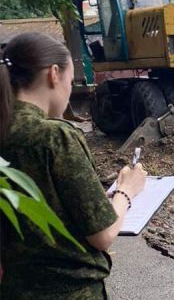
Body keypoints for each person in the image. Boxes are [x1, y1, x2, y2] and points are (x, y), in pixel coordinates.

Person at [0, 32, 147, 299]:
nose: (69, 92)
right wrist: (127, 191)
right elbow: (102, 235)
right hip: (69, 291)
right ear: (53, 74)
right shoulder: (55, 136)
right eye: (69, 81)